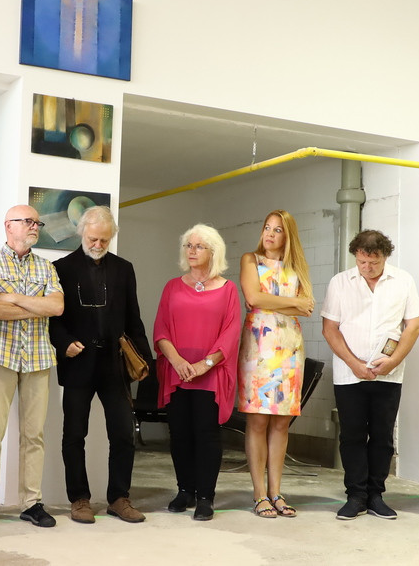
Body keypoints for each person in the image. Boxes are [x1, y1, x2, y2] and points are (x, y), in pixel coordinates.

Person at [49, 206, 152, 525]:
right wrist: (65, 343)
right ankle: (79, 499)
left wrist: (146, 362)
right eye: (93, 238)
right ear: (81, 232)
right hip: (78, 363)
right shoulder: (60, 268)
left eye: (104, 240)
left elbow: (134, 319)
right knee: (73, 434)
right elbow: (52, 319)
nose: (98, 244)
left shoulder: (124, 269)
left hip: (114, 364)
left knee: (123, 433)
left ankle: (119, 498)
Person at [0, 204, 64, 530]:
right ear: (9, 226)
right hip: (0, 356)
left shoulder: (46, 267)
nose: (35, 226)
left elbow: (57, 306)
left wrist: (12, 298)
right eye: (28, 221)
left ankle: (32, 503)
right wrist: (35, 307)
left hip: (38, 358)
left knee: (34, 435)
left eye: (38, 223)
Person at [321, 229, 419, 521]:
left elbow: (413, 326)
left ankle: (376, 494)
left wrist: (393, 361)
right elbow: (330, 328)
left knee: (382, 436)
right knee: (351, 435)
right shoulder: (340, 282)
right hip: (349, 373)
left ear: (385, 257)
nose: (366, 267)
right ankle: (355, 495)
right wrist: (353, 363)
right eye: (361, 262)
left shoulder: (403, 280)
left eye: (373, 263)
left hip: (388, 374)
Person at [154, 223, 241, 522]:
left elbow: (231, 333)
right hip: (177, 371)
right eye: (188, 246)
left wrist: (206, 364)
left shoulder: (228, 289)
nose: (192, 251)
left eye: (199, 246)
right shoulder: (172, 286)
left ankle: (205, 497)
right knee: (179, 434)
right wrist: (178, 362)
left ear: (213, 252)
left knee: (206, 434)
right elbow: (161, 329)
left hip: (210, 374)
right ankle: (185, 491)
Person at [236, 210, 314, 519]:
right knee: (258, 420)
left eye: (277, 230)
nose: (269, 234)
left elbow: (307, 307)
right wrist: (292, 302)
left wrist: (276, 302)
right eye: (266, 227)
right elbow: (254, 298)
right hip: (259, 348)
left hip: (290, 348)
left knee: (281, 422)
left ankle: (276, 492)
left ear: (287, 235)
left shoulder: (297, 268)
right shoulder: (250, 260)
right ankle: (259, 494)